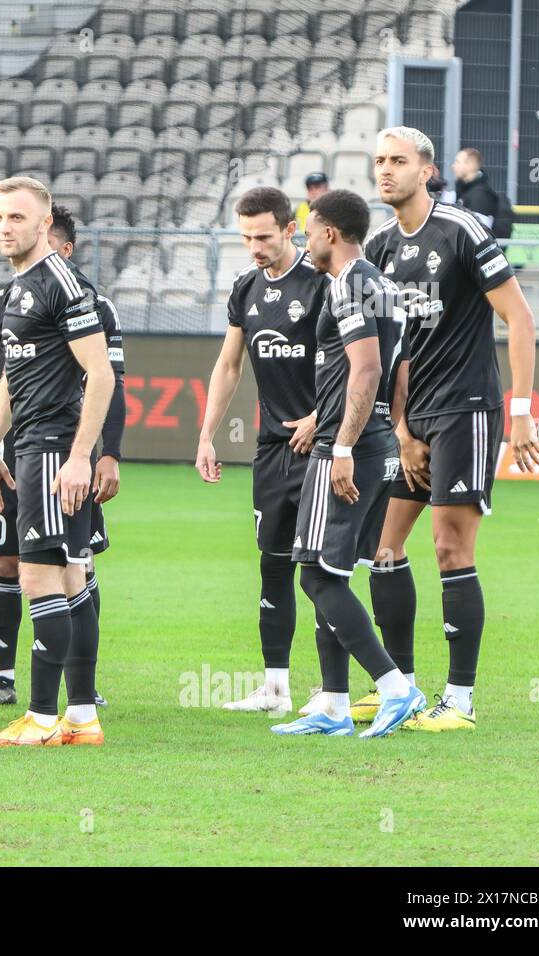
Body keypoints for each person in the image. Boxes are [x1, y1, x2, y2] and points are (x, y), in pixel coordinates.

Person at [363, 127, 539, 731]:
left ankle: (460, 700)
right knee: (384, 551)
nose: (385, 170)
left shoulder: (463, 230)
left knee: (448, 547)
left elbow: (519, 316)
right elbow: (399, 350)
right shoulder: (383, 248)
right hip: (418, 417)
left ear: (428, 170)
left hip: (468, 408)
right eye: (379, 160)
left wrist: (520, 410)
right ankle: (403, 688)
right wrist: (403, 427)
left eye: (398, 161)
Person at [271, 188, 424, 738]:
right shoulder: (384, 284)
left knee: (315, 574)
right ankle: (333, 705)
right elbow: (398, 372)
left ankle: (394, 687)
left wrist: (338, 445)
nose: (304, 239)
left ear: (329, 233)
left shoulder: (351, 282)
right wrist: (386, 429)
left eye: (309, 230)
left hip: (349, 448)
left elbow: (365, 368)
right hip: (375, 441)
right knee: (332, 572)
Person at [0, 177, 115, 748]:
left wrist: (81, 456)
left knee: (38, 574)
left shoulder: (61, 282)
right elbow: (10, 378)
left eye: (16, 218)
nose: (5, 228)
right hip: (28, 445)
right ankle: (81, 717)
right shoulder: (16, 289)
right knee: (70, 574)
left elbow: (101, 374)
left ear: (44, 222)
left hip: (55, 446)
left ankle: (37, 718)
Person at [197, 186, 327, 716]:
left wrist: (324, 419)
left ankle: (331, 687)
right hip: (273, 451)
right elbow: (230, 365)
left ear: (290, 229)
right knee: (272, 567)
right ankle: (275, 688)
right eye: (246, 236)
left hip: (324, 447)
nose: (254, 245)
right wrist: (207, 435)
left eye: (264, 236)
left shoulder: (323, 285)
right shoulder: (245, 289)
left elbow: (362, 361)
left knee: (322, 571)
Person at [451, 147, 512, 238]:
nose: (453, 166)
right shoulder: (465, 191)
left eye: (457, 162)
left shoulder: (480, 195)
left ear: (470, 166)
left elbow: (478, 234)